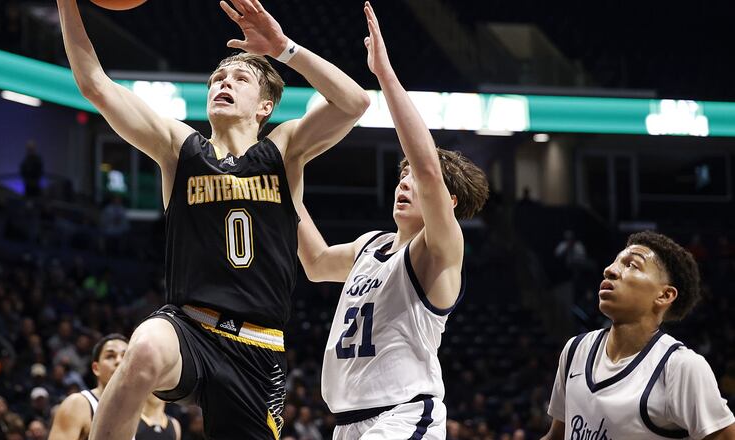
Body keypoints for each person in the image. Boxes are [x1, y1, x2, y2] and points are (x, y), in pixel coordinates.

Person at [55, 0, 369, 437]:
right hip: (188, 328)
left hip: (257, 347)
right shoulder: (179, 147)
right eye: (217, 78)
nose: (224, 82)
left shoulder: (284, 148)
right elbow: (94, 84)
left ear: (264, 107)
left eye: (241, 78)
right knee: (143, 349)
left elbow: (354, 102)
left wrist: (284, 48)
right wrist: (66, 3)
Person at [296, 3, 489, 438]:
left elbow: (427, 168)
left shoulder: (440, 250)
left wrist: (384, 76)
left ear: (447, 201)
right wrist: (285, 175)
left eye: (414, 182)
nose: (405, 185)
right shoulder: (371, 245)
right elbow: (315, 261)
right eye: (400, 178)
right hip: (348, 421)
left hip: (403, 413)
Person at [541, 231, 735, 440]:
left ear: (664, 295)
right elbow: (556, 436)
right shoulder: (576, 349)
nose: (609, 270)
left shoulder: (680, 367)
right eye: (614, 262)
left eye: (631, 265)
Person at [48, 334, 128, 440]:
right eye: (110, 356)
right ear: (96, 368)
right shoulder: (77, 404)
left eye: (126, 356)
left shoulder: (140, 410)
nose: (119, 361)